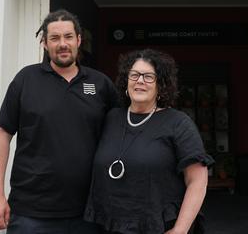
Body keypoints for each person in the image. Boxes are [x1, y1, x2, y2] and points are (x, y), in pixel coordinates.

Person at [0, 9, 119, 233]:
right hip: (31, 212)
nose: (63, 44)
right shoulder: (25, 80)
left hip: (88, 212)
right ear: (45, 43)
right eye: (55, 38)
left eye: (68, 37)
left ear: (79, 40)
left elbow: (120, 138)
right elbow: (2, 134)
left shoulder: (100, 84)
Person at [85, 49, 213, 234]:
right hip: (109, 225)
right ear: (126, 81)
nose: (140, 81)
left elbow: (197, 181)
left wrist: (180, 229)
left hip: (158, 227)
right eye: (134, 75)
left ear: (161, 85)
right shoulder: (111, 118)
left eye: (148, 77)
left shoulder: (178, 123)